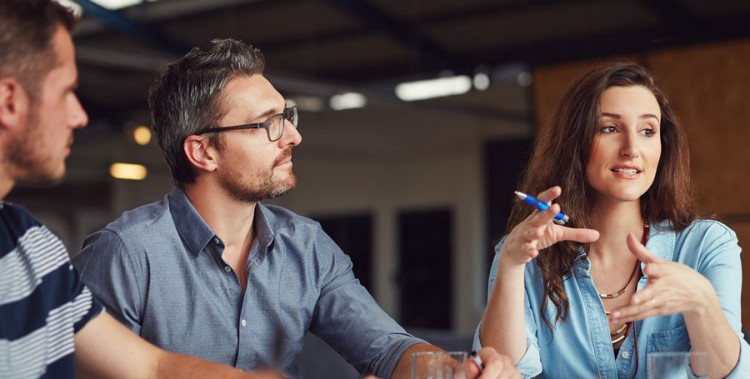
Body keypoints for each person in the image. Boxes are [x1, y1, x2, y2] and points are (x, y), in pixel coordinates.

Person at [71, 38, 519, 379]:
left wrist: (451, 370)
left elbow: (385, 348)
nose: (292, 136)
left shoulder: (305, 247)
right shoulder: (126, 255)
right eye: (268, 124)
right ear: (203, 151)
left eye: (286, 116)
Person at [0, 1, 287, 378]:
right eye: (67, 91)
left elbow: (150, 366)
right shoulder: (123, 250)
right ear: (9, 101)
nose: (80, 116)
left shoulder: (31, 246)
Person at [473, 61, 750, 378]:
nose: (632, 149)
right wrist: (511, 264)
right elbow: (503, 371)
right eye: (610, 128)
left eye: (647, 131)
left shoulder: (707, 245)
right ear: (575, 143)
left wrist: (702, 303)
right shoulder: (522, 253)